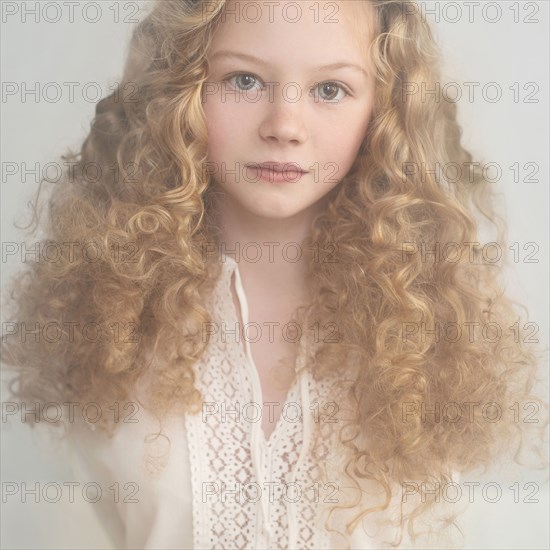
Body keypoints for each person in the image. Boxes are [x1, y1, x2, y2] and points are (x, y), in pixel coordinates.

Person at [1, 1, 546, 548]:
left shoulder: (442, 331)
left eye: (330, 90)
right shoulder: (102, 318)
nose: (284, 126)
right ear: (179, 91)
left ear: (383, 109)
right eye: (244, 80)